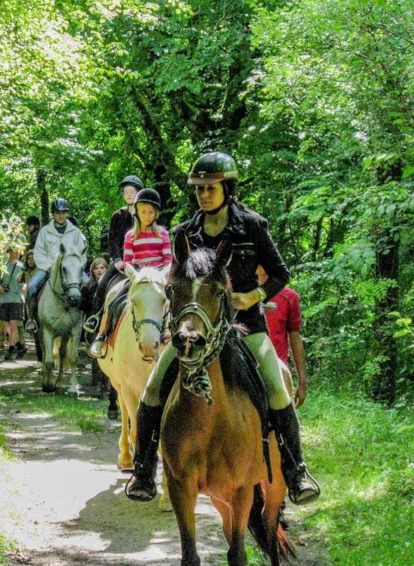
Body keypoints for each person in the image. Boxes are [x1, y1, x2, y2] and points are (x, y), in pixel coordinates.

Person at [125, 151, 320, 505]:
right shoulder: (185, 232)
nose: (203, 195)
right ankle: (143, 471)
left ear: (228, 188)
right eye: (199, 189)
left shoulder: (253, 226)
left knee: (277, 389)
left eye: (210, 188)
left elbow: (281, 274)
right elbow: (176, 279)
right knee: (152, 390)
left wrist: (254, 296)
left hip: (246, 327)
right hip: (193, 330)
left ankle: (296, 472)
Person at [89, 188, 171, 359]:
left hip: (158, 276)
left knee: (175, 299)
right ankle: (101, 336)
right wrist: (135, 274)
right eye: (143, 211)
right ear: (137, 212)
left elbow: (168, 260)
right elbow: (128, 261)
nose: (147, 215)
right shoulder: (130, 235)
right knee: (113, 297)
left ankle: (174, 333)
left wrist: (161, 275)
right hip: (138, 275)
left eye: (151, 212)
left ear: (156, 214)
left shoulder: (163, 234)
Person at [84, 175, 144, 333]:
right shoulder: (118, 216)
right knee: (102, 285)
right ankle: (95, 320)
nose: (129, 194)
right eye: (126, 192)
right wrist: (117, 259)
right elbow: (113, 241)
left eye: (132, 191)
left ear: (139, 192)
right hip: (121, 261)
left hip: (142, 261)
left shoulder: (146, 215)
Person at [25, 198, 88, 332]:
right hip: (48, 268)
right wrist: (49, 267)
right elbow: (39, 253)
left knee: (90, 285)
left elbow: (82, 253)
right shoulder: (44, 231)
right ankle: (32, 319)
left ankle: (90, 320)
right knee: (31, 287)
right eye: (58, 212)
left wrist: (77, 267)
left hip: (71, 269)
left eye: (64, 212)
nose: (61, 215)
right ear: (52, 214)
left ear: (67, 214)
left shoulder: (75, 232)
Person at [258, 266, 307, 408]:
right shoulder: (239, 292)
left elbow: (295, 336)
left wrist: (302, 381)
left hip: (277, 369)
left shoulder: (289, 296)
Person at [0, 248, 25, 360]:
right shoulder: (3, 266)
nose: (17, 253)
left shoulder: (22, 267)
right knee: (6, 326)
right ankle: (20, 346)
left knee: (13, 325)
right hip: (4, 299)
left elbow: (25, 283)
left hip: (16, 299)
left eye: (18, 251)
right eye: (14, 251)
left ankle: (10, 351)